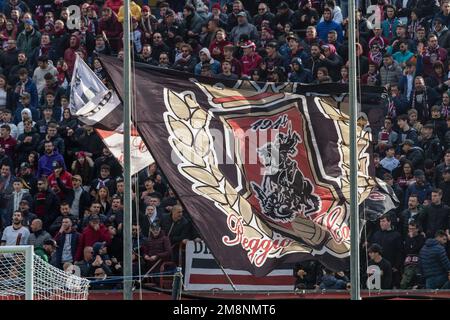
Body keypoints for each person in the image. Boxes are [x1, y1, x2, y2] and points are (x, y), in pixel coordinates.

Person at [400, 221, 425, 289]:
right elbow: (406, 250)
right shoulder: (407, 238)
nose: (411, 230)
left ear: (417, 229)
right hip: (408, 264)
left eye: (413, 229)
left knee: (418, 283)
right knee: (404, 283)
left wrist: (412, 238)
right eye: (409, 229)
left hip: (418, 263)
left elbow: (416, 248)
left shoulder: (421, 238)